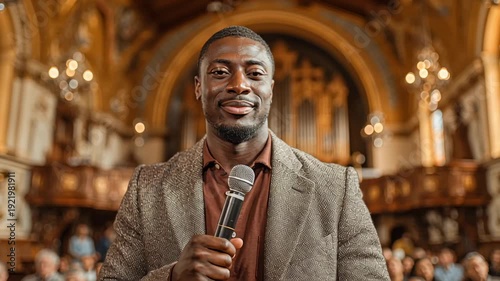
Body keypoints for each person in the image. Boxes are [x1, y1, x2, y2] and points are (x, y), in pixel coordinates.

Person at [98, 25, 389, 280]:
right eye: (220, 72)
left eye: (255, 73)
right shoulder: (146, 188)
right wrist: (172, 277)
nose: (239, 85)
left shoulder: (336, 188)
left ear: (271, 90)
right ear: (199, 88)